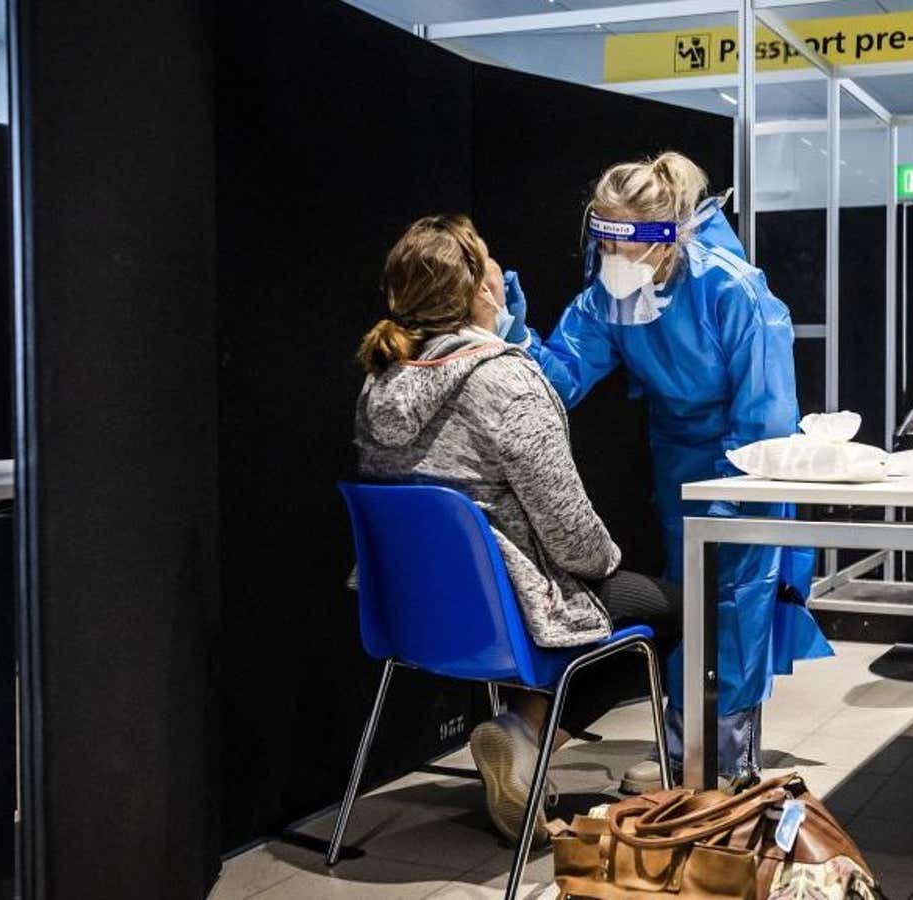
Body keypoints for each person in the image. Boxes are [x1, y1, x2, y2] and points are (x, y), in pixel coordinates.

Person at [499, 152, 832, 788]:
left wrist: (731, 500)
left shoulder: (732, 290)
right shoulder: (610, 298)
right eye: (602, 244)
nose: (611, 263)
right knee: (691, 612)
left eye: (624, 246)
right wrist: (516, 337)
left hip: (745, 471)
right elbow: (559, 381)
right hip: (678, 468)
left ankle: (723, 772)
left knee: (736, 612)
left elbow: (766, 417)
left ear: (664, 239)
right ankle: (685, 757)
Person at [353, 215, 679, 844]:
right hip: (514, 614)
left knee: (591, 600)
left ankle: (522, 742)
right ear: (479, 291)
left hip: (413, 620)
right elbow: (575, 541)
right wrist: (608, 561)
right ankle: (525, 737)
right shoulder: (504, 380)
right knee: (677, 609)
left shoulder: (380, 383)